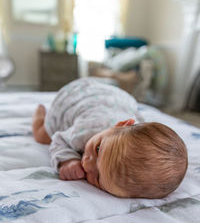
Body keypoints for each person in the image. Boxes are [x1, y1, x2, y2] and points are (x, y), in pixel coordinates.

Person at [32, 77, 188, 199]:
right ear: (121, 124)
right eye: (98, 149)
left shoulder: (124, 134)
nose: (87, 164)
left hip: (118, 98)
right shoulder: (86, 130)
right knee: (43, 136)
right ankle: (40, 114)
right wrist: (67, 161)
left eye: (98, 177)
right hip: (72, 97)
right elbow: (59, 140)